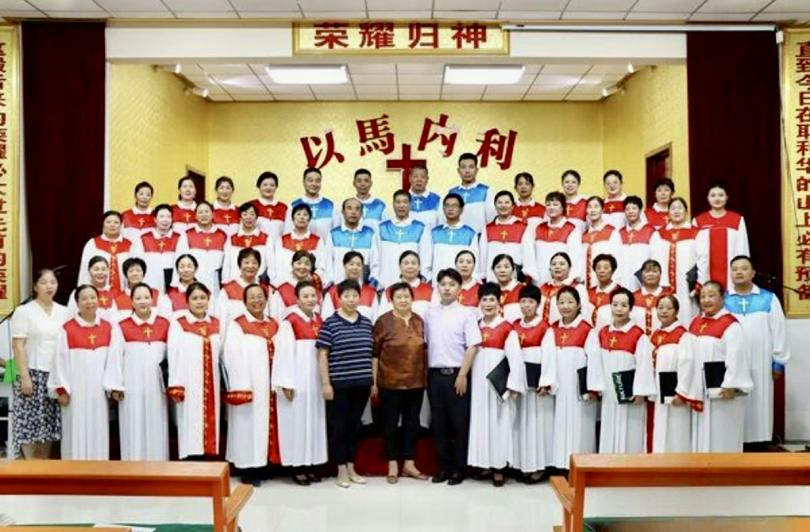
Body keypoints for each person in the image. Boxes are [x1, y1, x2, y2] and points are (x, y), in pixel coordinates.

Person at [725, 256, 789, 449]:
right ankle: (736, 442)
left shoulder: (767, 298)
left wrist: (778, 362)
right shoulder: (724, 300)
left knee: (760, 401)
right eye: (735, 269)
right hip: (733, 363)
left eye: (744, 268)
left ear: (752, 273)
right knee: (736, 401)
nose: (739, 272)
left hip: (761, 361)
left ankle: (760, 443)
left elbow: (779, 331)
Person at [424, 269, 481, 485]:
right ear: (437, 287)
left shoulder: (467, 313)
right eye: (443, 284)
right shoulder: (430, 313)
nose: (447, 288)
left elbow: (473, 346)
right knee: (439, 424)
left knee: (459, 423)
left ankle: (459, 468)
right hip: (435, 375)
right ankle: (444, 467)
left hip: (457, 375)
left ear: (459, 289)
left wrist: (463, 374)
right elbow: (426, 343)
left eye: (452, 284)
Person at [316, 279, 375, 488]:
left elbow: (372, 354)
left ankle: (351, 466)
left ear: (360, 297)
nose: (351, 300)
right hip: (339, 385)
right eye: (346, 296)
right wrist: (325, 384)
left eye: (354, 295)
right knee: (338, 427)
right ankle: (340, 469)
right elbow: (322, 355)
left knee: (354, 426)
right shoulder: (330, 323)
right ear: (338, 298)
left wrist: (373, 381)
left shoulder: (367, 322)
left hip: (362, 383)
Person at [223, 283, 281, 485]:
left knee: (266, 425)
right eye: (252, 297)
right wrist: (242, 385)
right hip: (250, 384)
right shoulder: (237, 325)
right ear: (244, 301)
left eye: (260, 296)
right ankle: (247, 467)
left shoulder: (274, 324)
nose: (257, 301)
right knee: (248, 425)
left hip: (270, 386)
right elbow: (232, 356)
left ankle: (263, 464)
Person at [104, 283, 169, 461]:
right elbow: (115, 356)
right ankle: (132, 468)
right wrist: (115, 386)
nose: (143, 302)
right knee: (133, 426)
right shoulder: (122, 326)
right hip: (131, 386)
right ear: (131, 302)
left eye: (146, 297)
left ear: (153, 300)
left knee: (157, 424)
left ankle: (159, 468)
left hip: (157, 387)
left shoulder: (164, 324)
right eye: (138, 298)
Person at [469, 282, 525, 487]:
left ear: (499, 302)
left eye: (492, 299)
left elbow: (516, 359)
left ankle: (499, 467)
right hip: (478, 382)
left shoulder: (506, 328)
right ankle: (483, 463)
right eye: (484, 299)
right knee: (481, 421)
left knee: (499, 422)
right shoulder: (475, 325)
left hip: (498, 385)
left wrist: (512, 385)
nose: (488, 303)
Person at [48, 285, 113, 460]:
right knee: (75, 431)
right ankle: (73, 475)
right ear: (77, 302)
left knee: (98, 429)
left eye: (93, 297)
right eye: (84, 298)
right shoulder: (67, 329)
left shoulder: (108, 328)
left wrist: (112, 386)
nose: (89, 302)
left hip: (99, 392)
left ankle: (99, 474)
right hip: (74, 392)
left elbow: (113, 362)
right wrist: (61, 388)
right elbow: (58, 361)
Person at [272, 281, 328, 485]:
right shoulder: (290, 322)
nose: (310, 299)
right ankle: (297, 466)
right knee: (297, 422)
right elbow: (283, 353)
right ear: (297, 299)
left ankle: (311, 463)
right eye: (305, 296)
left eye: (313, 295)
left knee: (313, 421)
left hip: (315, 380)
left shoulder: (320, 320)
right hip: (297, 379)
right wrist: (286, 382)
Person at [373, 281, 429, 484]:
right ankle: (392, 464)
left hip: (416, 381)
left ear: (412, 298)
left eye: (407, 296)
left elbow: (425, 350)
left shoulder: (419, 321)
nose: (403, 300)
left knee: (412, 423)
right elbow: (375, 354)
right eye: (399, 297)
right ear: (391, 299)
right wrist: (374, 381)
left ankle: (409, 463)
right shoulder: (383, 321)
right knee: (389, 423)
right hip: (389, 382)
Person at [10, 269, 68, 459]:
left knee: (49, 425)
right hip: (32, 374)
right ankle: (29, 468)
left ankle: (44, 469)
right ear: (35, 286)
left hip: (55, 375)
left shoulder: (64, 311)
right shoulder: (24, 311)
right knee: (30, 425)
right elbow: (18, 345)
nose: (49, 286)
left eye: (52, 282)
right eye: (44, 282)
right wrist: (25, 377)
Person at [690, 281, 753, 452]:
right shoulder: (695, 322)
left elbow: (736, 356)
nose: (706, 300)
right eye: (703, 296)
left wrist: (730, 384)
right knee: (700, 433)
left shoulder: (730, 324)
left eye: (711, 295)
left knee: (722, 433)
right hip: (698, 390)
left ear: (722, 298)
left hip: (721, 391)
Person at [544, 286, 602, 472]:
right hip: (559, 387)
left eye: (570, 302)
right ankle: (561, 465)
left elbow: (594, 359)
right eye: (561, 302)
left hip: (578, 389)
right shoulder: (552, 330)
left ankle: (581, 467)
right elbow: (547, 358)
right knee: (559, 426)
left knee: (580, 426)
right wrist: (547, 382)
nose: (565, 306)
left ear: (578, 305)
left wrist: (592, 388)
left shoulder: (586, 330)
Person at [167, 282, 223, 460]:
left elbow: (222, 354)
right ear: (187, 301)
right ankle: (191, 461)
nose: (199, 302)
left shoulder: (216, 323)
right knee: (191, 420)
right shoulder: (179, 324)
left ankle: (207, 458)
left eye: (203, 298)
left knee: (210, 420)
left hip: (211, 382)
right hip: (189, 381)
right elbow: (173, 354)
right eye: (195, 298)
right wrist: (176, 384)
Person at [596, 288, 655, 454]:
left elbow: (644, 364)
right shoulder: (602, 333)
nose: (619, 309)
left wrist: (640, 391)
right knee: (608, 427)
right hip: (608, 392)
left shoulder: (638, 335)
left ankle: (628, 468)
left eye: (623, 305)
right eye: (615, 305)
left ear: (630, 308)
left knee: (629, 429)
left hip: (629, 393)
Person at [512, 284, 554, 484]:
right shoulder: (515, 326)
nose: (526, 305)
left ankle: (538, 467)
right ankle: (521, 465)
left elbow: (549, 355)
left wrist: (545, 381)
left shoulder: (544, 327)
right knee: (520, 423)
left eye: (531, 302)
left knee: (537, 425)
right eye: (523, 301)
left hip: (536, 385)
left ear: (538, 304)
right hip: (519, 384)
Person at [648, 295, 701, 453]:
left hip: (675, 395)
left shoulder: (683, 336)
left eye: (669, 308)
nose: (664, 311)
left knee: (676, 432)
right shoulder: (654, 335)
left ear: (676, 311)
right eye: (660, 307)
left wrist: (682, 392)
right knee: (658, 431)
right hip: (657, 394)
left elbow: (688, 363)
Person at [650, 197, 699, 323]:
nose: (676, 211)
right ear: (668, 213)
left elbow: (702, 260)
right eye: (673, 208)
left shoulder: (696, 233)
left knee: (688, 315)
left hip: (687, 284)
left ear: (686, 211)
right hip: (665, 282)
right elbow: (653, 260)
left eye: (680, 208)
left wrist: (697, 283)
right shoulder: (659, 234)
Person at [694, 182, 750, 290]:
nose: (717, 199)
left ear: (727, 197)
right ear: (707, 198)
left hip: (731, 275)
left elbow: (743, 250)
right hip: (706, 275)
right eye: (713, 195)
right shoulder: (698, 221)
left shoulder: (737, 219)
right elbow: (694, 252)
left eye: (721, 195)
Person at [377, 190, 432, 288]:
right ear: (393, 204)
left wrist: (423, 277)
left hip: (412, 282)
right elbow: (376, 257)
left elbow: (425, 257)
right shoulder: (382, 228)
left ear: (410, 205)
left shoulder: (420, 228)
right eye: (398, 202)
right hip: (386, 280)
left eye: (405, 202)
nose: (401, 205)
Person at [174, 201, 228, 296]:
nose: (204, 215)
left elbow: (227, 263)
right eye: (200, 212)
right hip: (192, 280)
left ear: (213, 214)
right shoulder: (187, 234)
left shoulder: (222, 235)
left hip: (214, 281)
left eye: (206, 212)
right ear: (195, 215)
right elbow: (179, 260)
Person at [78, 210, 139, 293]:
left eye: (116, 222)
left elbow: (135, 272)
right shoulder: (93, 244)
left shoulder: (130, 245)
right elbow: (85, 270)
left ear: (121, 225)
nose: (112, 225)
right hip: (97, 293)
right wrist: (84, 292)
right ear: (103, 224)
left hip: (124, 295)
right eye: (108, 222)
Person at [480, 190, 533, 282]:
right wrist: (483, 275)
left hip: (515, 276)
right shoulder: (488, 228)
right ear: (495, 206)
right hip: (492, 277)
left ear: (513, 206)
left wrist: (527, 274)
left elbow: (528, 253)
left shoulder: (522, 226)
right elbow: (483, 254)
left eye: (507, 202)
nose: (503, 205)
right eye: (499, 202)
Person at [531, 191, 582, 286]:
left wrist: (569, 281)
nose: (551, 207)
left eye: (555, 204)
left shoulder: (570, 228)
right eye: (548, 204)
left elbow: (575, 257)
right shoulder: (538, 228)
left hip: (562, 283)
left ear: (563, 207)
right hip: (540, 281)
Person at [326, 198, 380, 287]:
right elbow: (328, 261)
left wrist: (373, 281)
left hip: (362, 287)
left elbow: (375, 262)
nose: (353, 212)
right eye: (349, 208)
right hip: (338, 286)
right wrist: (330, 282)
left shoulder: (369, 234)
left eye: (357, 209)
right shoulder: (334, 234)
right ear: (343, 212)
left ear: (362, 213)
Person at [272, 203, 327, 287]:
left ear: (309, 219)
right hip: (285, 285)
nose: (302, 217)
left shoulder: (317, 240)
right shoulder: (282, 240)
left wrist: (310, 279)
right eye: (298, 214)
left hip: (308, 286)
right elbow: (277, 266)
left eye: (305, 214)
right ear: (293, 218)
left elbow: (321, 266)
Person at [430, 193, 480, 282]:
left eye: (454, 205)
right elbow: (428, 261)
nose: (450, 209)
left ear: (461, 209)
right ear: (443, 209)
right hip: (437, 283)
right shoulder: (434, 232)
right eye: (447, 205)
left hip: (461, 284)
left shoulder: (469, 233)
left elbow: (474, 262)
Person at [441, 153, 496, 234]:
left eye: (471, 167)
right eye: (463, 167)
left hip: (479, 237)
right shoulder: (452, 192)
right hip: (457, 238)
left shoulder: (485, 190)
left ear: (476, 170)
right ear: (458, 171)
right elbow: (445, 218)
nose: (467, 171)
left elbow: (492, 217)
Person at [221, 202, 272, 284]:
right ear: (240, 218)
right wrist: (225, 282)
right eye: (245, 214)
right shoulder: (232, 239)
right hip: (236, 283)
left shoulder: (265, 238)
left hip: (258, 283)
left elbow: (271, 263)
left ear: (256, 217)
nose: (249, 217)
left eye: (252, 214)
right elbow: (227, 264)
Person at [216, 248, 267, 328]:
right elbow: (220, 320)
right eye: (246, 263)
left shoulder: (265, 289)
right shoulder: (228, 291)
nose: (250, 266)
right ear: (240, 265)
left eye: (254, 263)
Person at [581, 196, 623, 291]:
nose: (593, 210)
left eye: (596, 206)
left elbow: (618, 259)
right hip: (587, 286)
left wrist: (616, 283)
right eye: (589, 207)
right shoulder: (584, 235)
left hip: (607, 285)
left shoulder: (611, 231)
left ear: (602, 210)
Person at [321, 251, 378, 320]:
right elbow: (326, 319)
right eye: (351, 264)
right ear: (344, 266)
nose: (355, 267)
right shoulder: (333, 292)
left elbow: (376, 321)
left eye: (358, 265)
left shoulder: (370, 293)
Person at [284, 167, 338, 239]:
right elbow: (288, 232)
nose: (314, 184)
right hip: (300, 248)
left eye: (317, 181)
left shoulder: (330, 205)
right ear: (303, 182)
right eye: (310, 180)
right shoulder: (293, 206)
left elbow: (336, 232)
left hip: (325, 249)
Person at [377, 251, 434, 318]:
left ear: (419, 267)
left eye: (413, 263)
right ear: (400, 267)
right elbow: (381, 320)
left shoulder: (430, 291)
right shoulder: (389, 291)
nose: (410, 266)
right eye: (406, 263)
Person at [269, 250, 322, 322]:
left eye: (307, 264)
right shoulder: (281, 289)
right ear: (292, 264)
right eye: (299, 263)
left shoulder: (316, 291)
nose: (302, 267)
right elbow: (275, 318)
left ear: (311, 267)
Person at [139, 204, 180, 293]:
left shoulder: (179, 238)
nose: (165, 220)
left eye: (168, 217)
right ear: (155, 219)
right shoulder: (144, 238)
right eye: (161, 216)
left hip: (172, 283)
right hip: (150, 281)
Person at [538, 251, 587, 325]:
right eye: (554, 264)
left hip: (566, 330)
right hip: (541, 331)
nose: (557, 267)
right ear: (550, 268)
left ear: (569, 268)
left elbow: (584, 313)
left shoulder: (578, 288)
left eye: (562, 264)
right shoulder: (542, 288)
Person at [159, 254, 212, 319]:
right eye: (182, 267)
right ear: (177, 270)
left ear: (196, 268)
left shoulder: (206, 292)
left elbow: (212, 316)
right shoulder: (169, 295)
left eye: (189, 266)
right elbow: (166, 319)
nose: (186, 270)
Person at [619, 196, 654, 291]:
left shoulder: (650, 231)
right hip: (622, 282)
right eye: (627, 209)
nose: (630, 211)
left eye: (634, 208)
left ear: (640, 210)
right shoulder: (619, 233)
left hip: (643, 282)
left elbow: (654, 259)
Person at [630, 259, 674, 336]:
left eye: (654, 271)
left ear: (660, 274)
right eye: (647, 271)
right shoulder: (633, 297)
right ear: (641, 275)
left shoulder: (668, 296)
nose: (651, 274)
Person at [112, 257, 161, 322]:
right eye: (131, 271)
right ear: (126, 275)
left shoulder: (156, 294)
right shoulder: (117, 299)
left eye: (138, 270)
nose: (135, 274)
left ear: (143, 273)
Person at [68, 256, 117, 321]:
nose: (100, 272)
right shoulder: (79, 292)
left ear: (108, 271)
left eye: (103, 269)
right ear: (89, 271)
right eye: (96, 269)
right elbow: (70, 317)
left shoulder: (116, 293)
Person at [250, 171, 288, 240]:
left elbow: (287, 231)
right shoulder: (251, 205)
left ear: (276, 187)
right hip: (257, 246)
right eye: (265, 185)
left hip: (277, 246)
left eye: (272, 185)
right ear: (259, 186)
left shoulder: (283, 207)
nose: (268, 188)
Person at [491, 254, 524, 323]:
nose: (502, 270)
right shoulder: (489, 291)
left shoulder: (523, 290)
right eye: (498, 267)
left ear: (513, 269)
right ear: (493, 270)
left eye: (506, 267)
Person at [408, 164, 442, 232]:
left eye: (422, 177)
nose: (419, 180)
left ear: (427, 179)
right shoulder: (403, 199)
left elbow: (440, 226)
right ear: (410, 178)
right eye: (415, 176)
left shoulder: (437, 200)